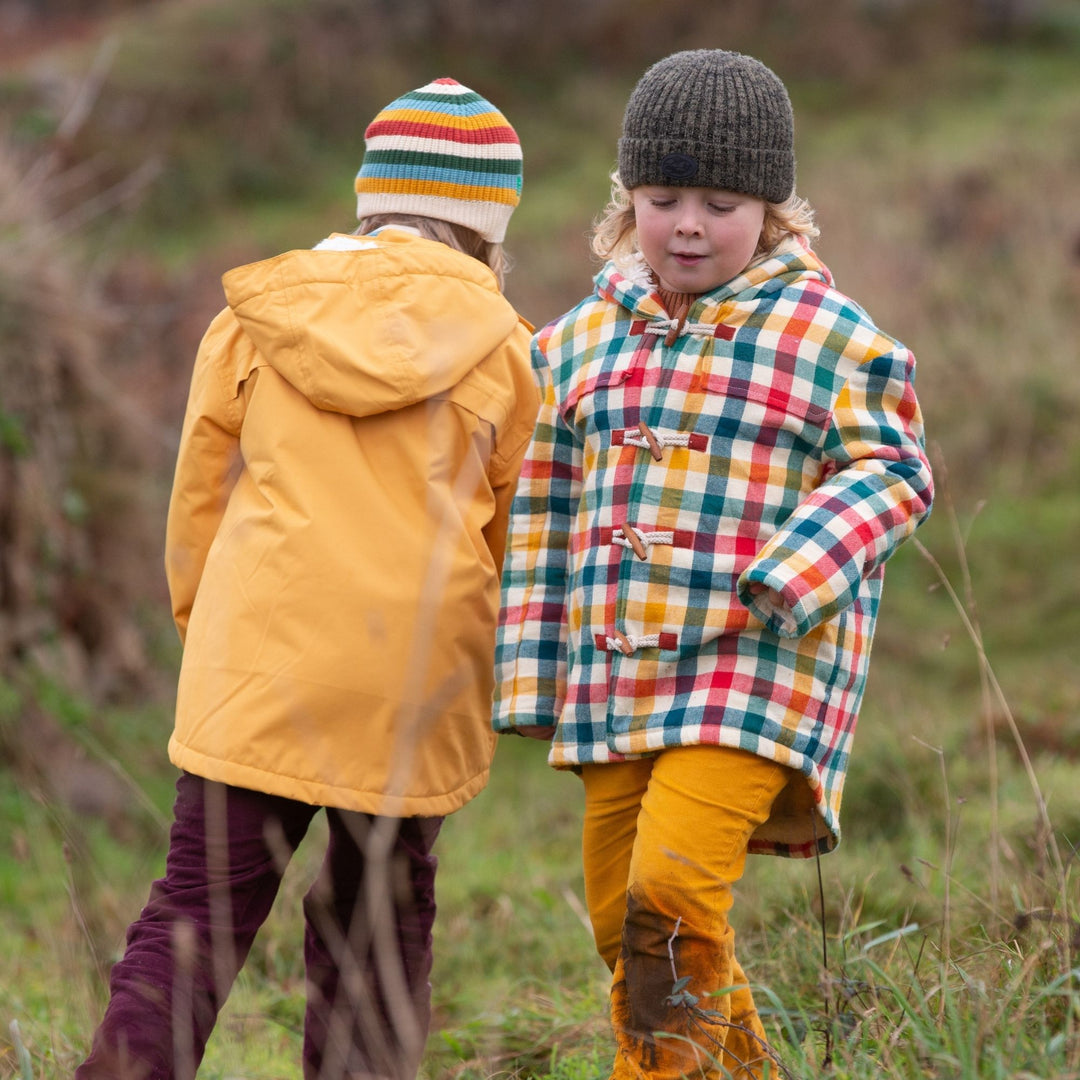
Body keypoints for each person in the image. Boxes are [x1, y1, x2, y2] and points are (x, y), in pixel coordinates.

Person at [76, 77, 539, 1080]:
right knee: (379, 929)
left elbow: (197, 497)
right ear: (486, 225)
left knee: (197, 915)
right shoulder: (507, 350)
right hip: (415, 676)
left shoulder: (258, 316)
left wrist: (209, 633)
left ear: (369, 200)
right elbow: (506, 528)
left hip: (262, 661)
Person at [494, 49, 934, 1079]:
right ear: (626, 202)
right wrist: (530, 673)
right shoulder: (578, 341)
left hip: (756, 667)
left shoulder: (832, 336)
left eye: (721, 202)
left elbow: (896, 469)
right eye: (664, 198)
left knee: (673, 901)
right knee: (623, 926)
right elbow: (543, 500)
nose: (689, 224)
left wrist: (794, 568)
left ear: (774, 213)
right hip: (613, 679)